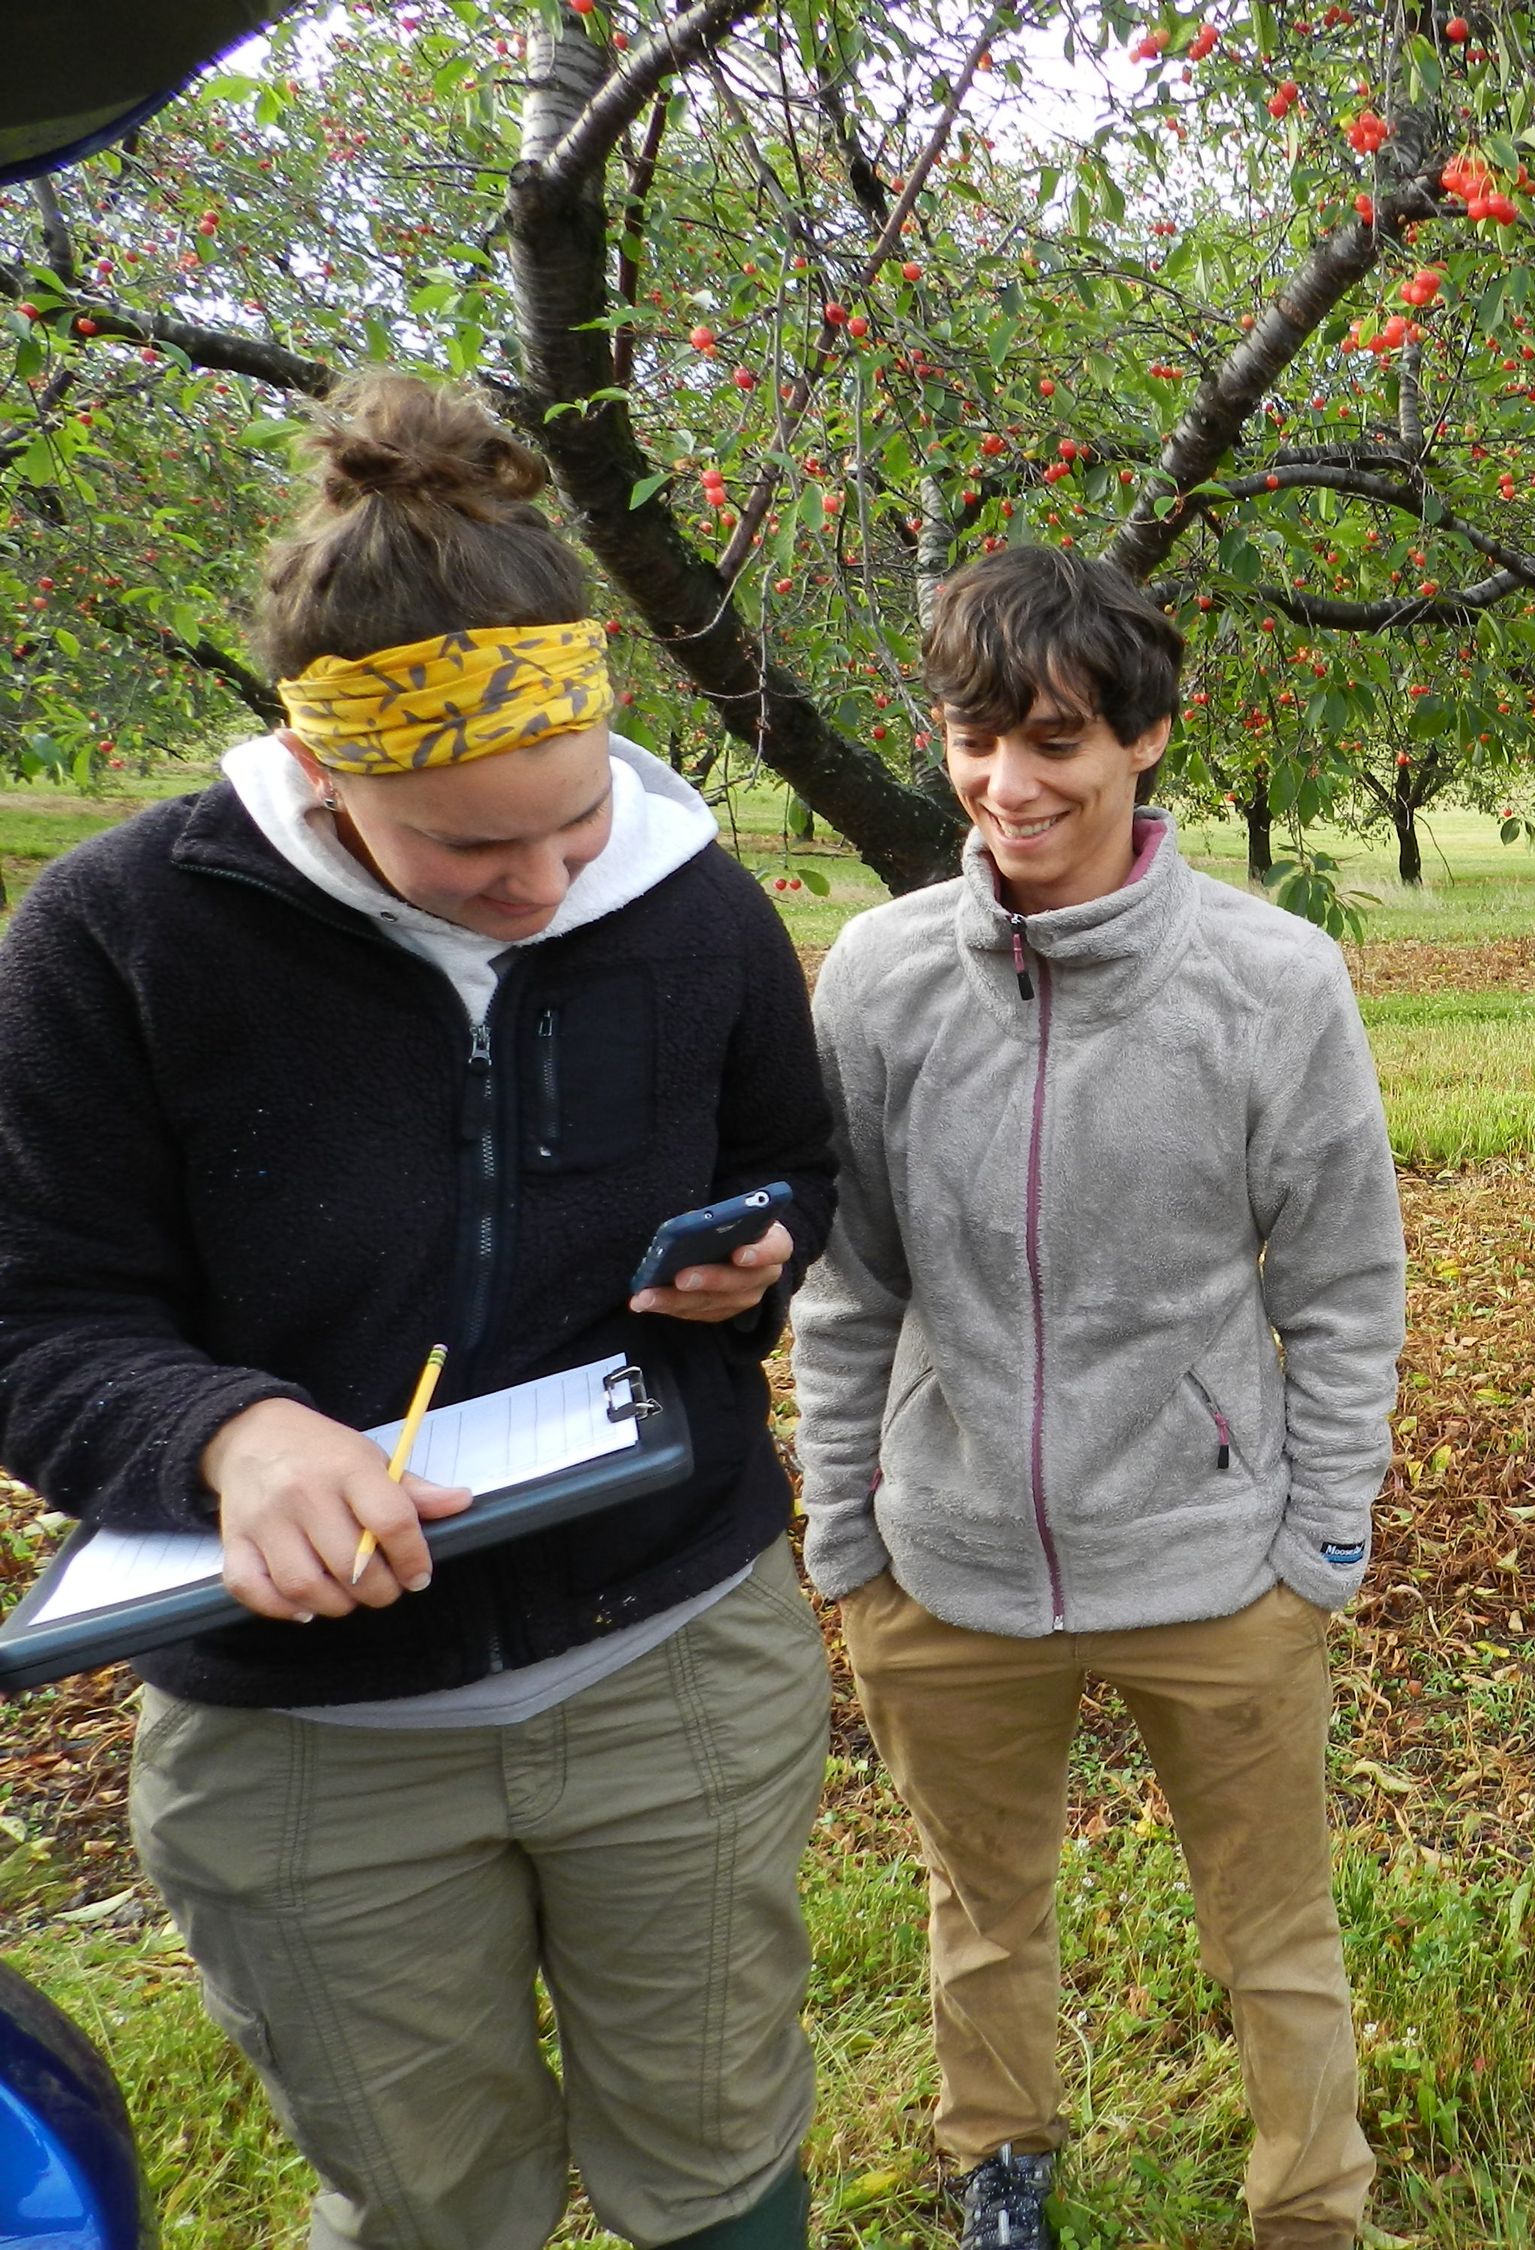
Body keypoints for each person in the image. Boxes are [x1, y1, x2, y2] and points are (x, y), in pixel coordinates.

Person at [0, 374, 836, 2250]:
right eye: (474, 850)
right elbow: (36, 1313)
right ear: (321, 777)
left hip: (672, 1658)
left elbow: (802, 1164)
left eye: (576, 821)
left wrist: (753, 1261)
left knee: (717, 2158)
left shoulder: (690, 907)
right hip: (313, 1739)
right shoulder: (117, 942)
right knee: (424, 2204)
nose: (545, 884)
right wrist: (229, 1432)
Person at [791, 546, 1404, 2250]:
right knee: (981, 1913)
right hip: (952, 1561)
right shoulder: (882, 975)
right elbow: (853, 1285)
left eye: (1055, 737)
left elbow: (1344, 1288)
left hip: (1219, 1568)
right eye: (977, 735)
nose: (1010, 781)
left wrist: (1321, 1543)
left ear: (1146, 737)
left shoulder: (1274, 983)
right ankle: (1005, 2163)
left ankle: (1310, 2206)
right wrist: (847, 1535)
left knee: (1273, 1931)